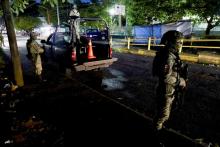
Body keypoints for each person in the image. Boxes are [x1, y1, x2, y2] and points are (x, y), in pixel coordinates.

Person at [152, 30, 187, 131]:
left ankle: (159, 129)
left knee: (164, 114)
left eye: (181, 42)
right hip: (166, 90)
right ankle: (156, 134)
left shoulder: (172, 54)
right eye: (178, 42)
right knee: (163, 116)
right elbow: (165, 77)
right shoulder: (168, 56)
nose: (180, 44)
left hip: (169, 89)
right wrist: (181, 81)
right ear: (171, 42)